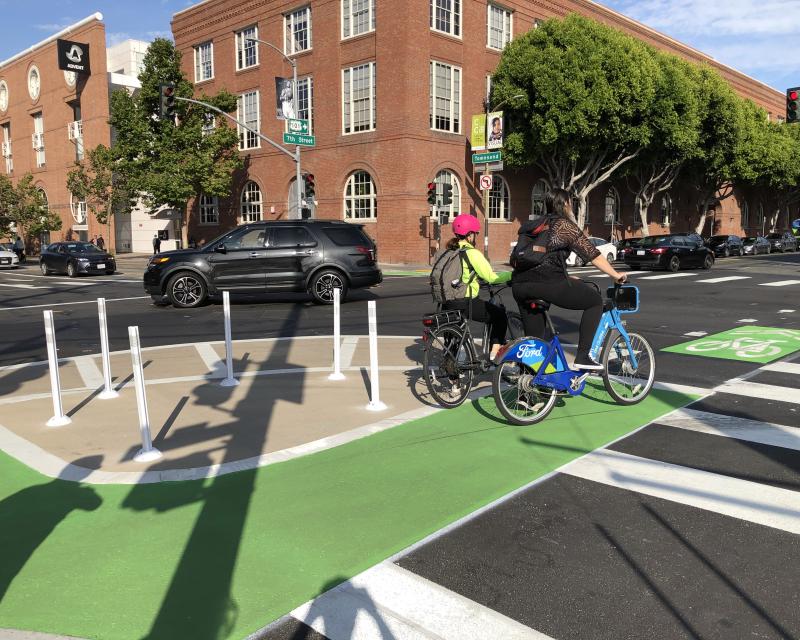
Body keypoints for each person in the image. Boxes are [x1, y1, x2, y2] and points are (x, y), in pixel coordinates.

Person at [511, 189, 627, 370]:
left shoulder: (533, 225)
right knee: (594, 300)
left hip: (520, 285)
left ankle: (530, 389)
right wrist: (615, 275)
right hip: (547, 283)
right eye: (570, 202)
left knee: (536, 341)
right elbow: (592, 254)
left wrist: (565, 273)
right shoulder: (564, 226)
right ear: (566, 204)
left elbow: (538, 256)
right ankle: (582, 356)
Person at [443, 214, 512, 359]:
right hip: (465, 301)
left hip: (446, 301)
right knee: (499, 316)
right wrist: (513, 275)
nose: (475, 237)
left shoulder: (448, 252)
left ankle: (451, 359)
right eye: (475, 234)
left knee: (454, 331)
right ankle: (495, 355)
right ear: (469, 235)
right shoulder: (472, 253)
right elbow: (491, 278)